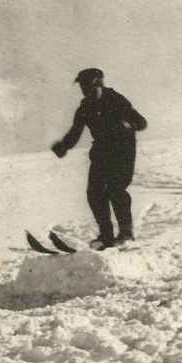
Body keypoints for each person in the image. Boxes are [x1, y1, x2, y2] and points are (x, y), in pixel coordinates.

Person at [51, 68, 147, 250]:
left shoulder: (116, 100)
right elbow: (75, 131)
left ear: (100, 84)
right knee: (94, 193)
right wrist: (64, 146)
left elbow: (141, 122)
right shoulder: (85, 108)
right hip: (102, 151)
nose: (86, 92)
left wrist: (129, 123)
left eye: (89, 87)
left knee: (115, 189)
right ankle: (106, 236)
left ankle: (126, 233)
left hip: (123, 150)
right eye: (83, 88)